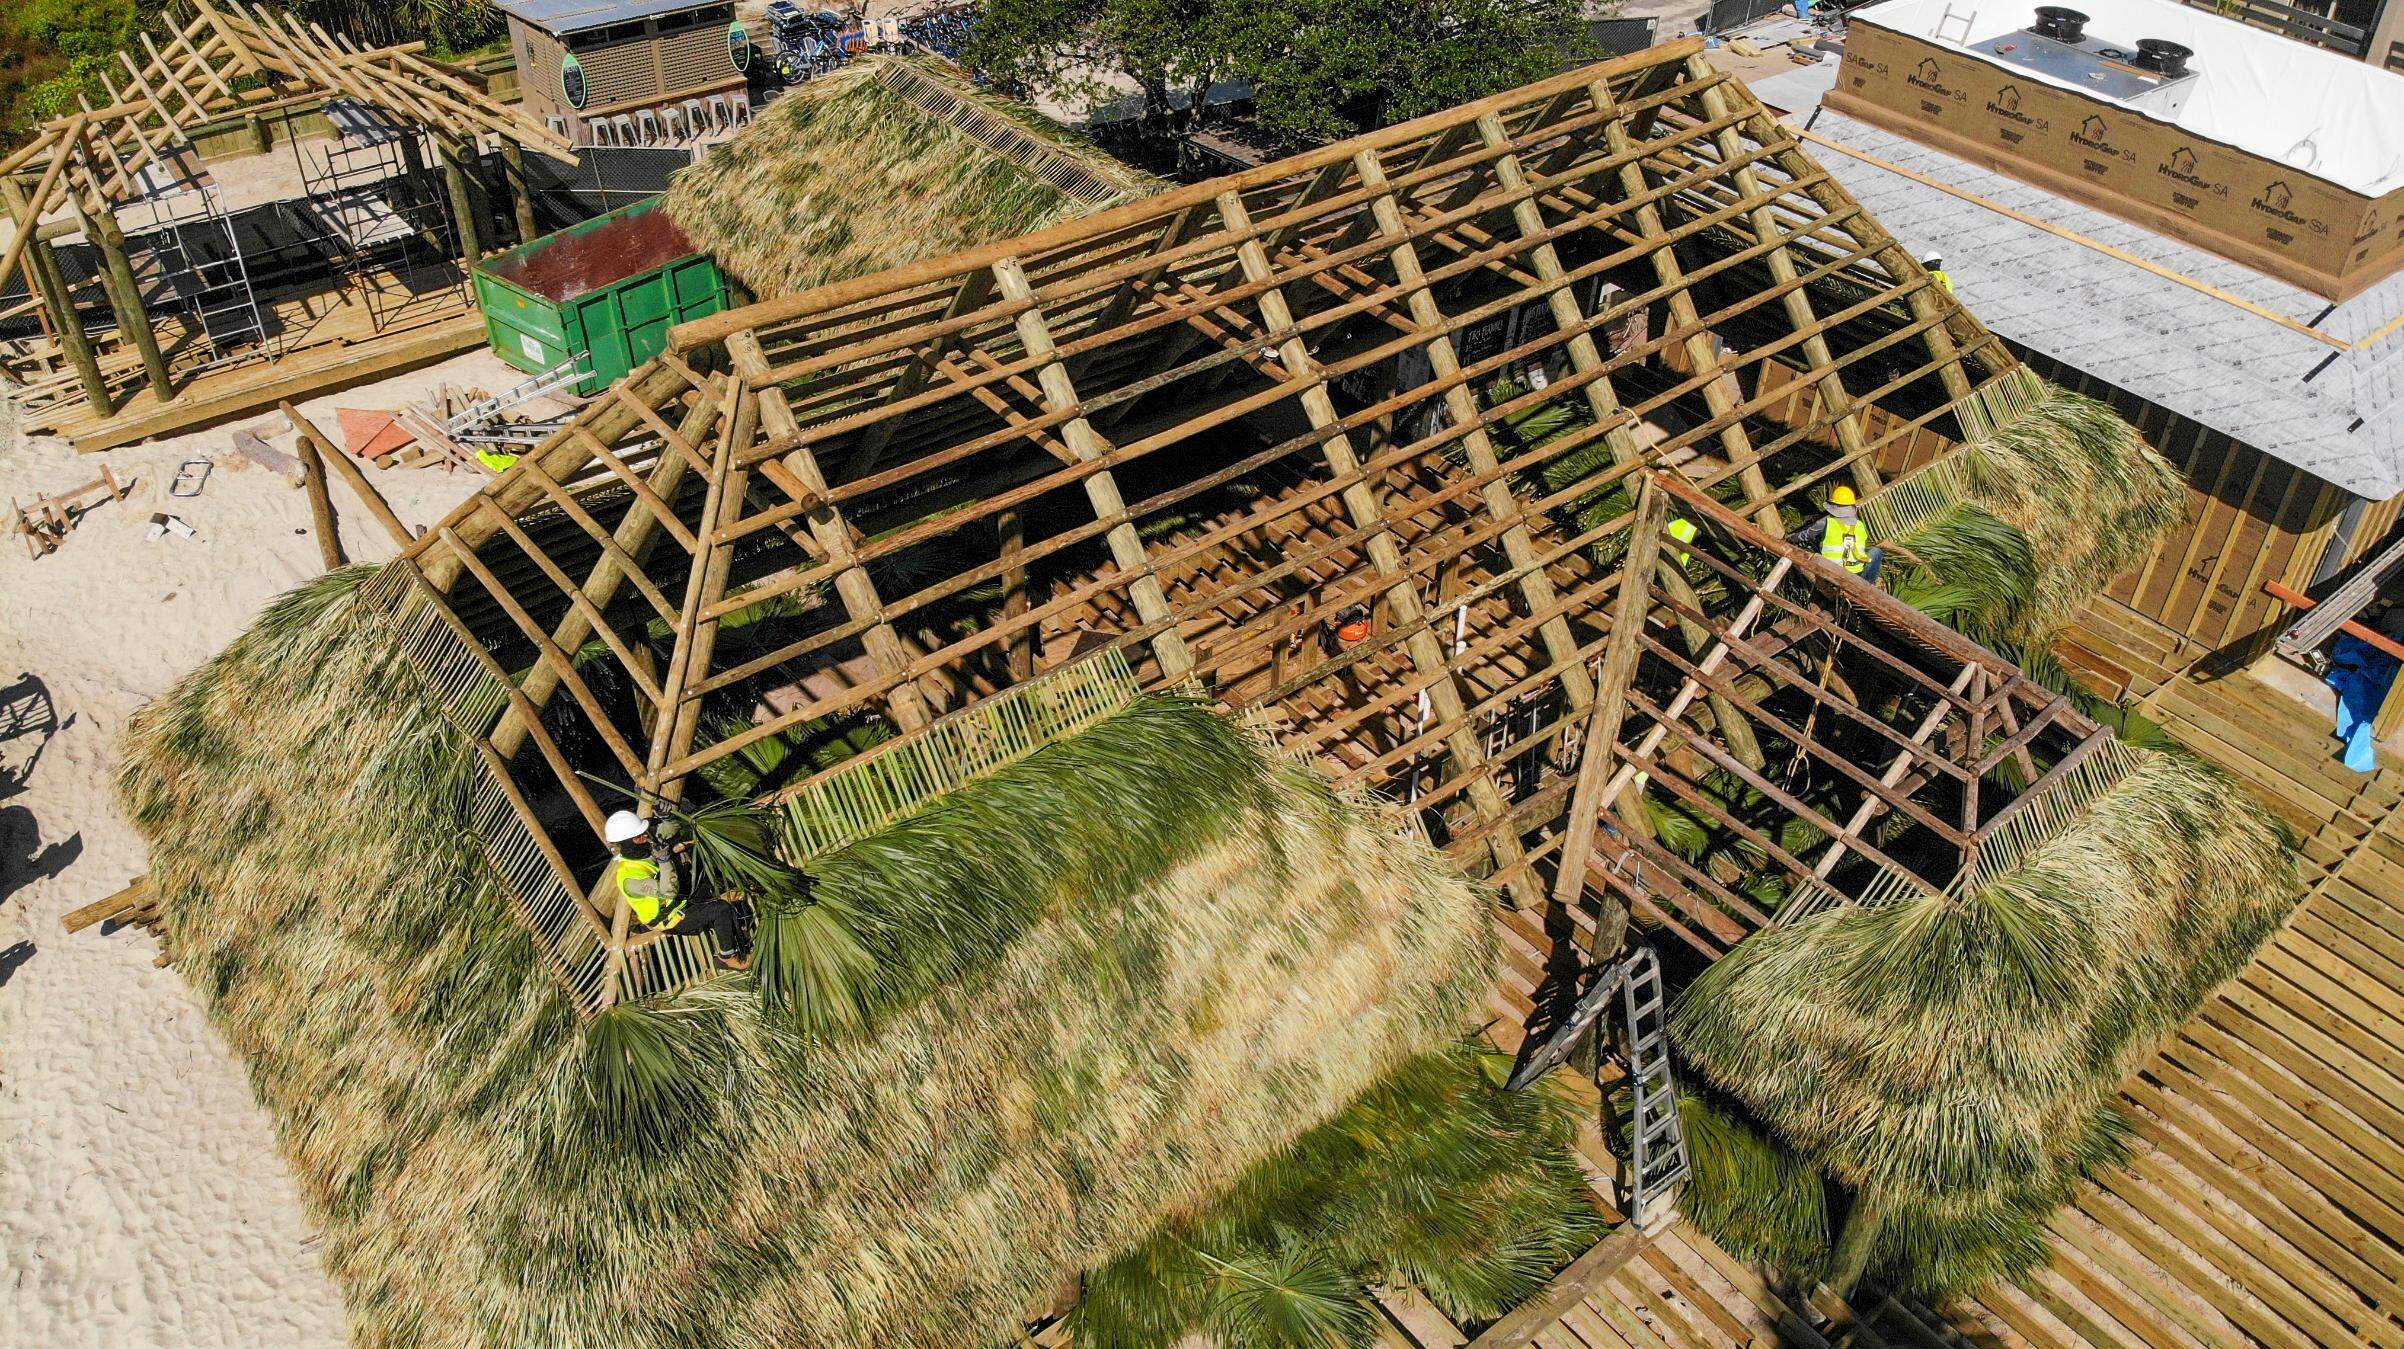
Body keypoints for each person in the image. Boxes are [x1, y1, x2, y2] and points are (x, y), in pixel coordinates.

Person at [604, 809, 752, 971]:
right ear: (626, 844)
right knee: (720, 909)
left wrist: (667, 817)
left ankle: (741, 933)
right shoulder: (630, 878)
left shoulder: (644, 846)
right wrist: (664, 861)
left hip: (681, 900)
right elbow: (668, 891)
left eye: (644, 833)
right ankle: (726, 958)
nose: (645, 837)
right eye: (638, 837)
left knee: (721, 882)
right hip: (671, 918)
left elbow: (670, 830)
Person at [1790, 484, 1883, 583]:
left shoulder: (1826, 522)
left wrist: (1791, 538)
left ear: (1834, 506)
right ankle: (1869, 583)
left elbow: (1806, 535)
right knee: (1877, 551)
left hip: (1834, 573)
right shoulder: (1860, 525)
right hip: (1857, 573)